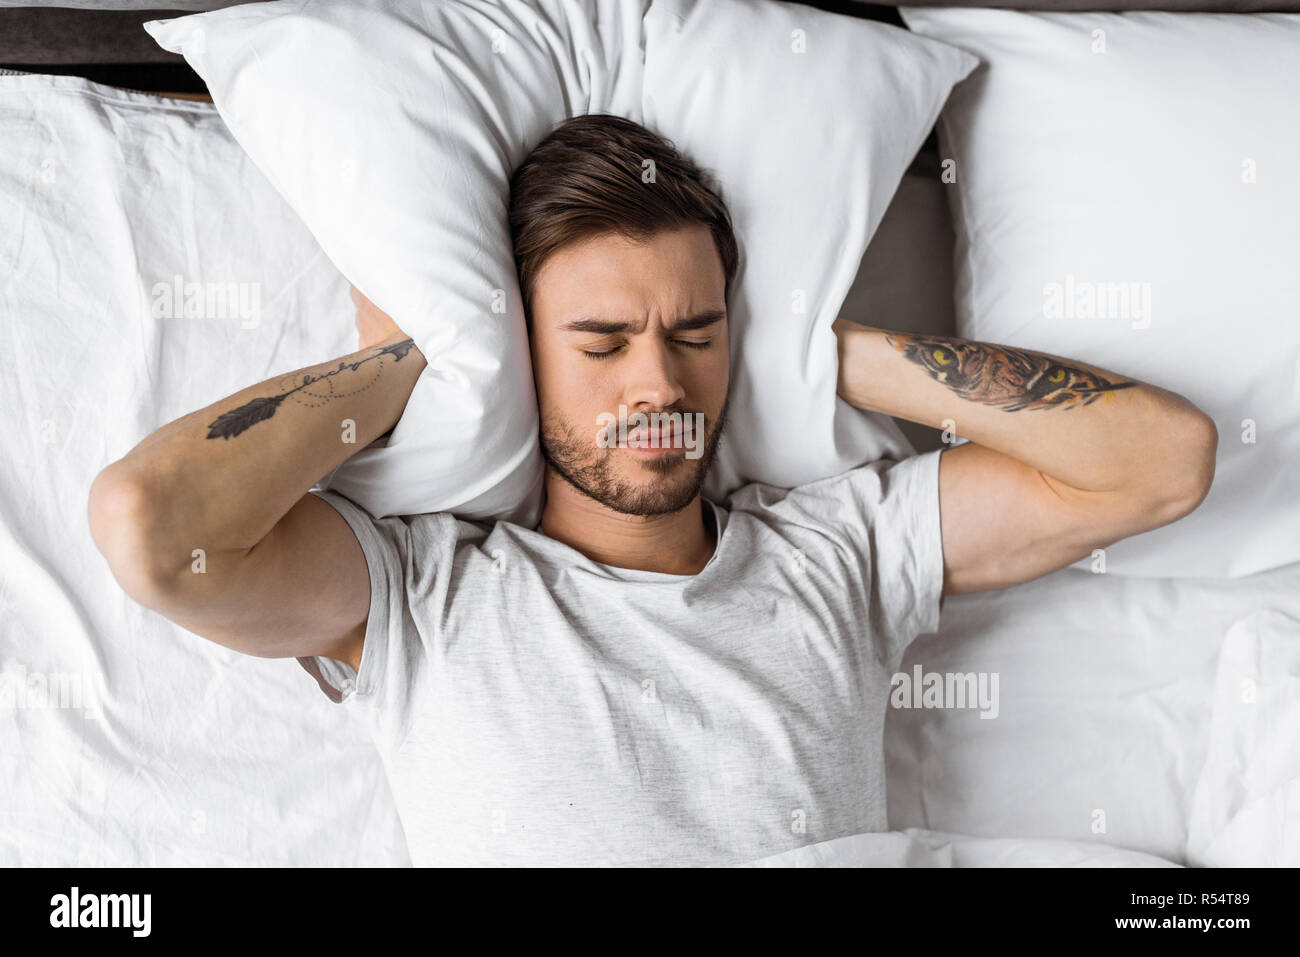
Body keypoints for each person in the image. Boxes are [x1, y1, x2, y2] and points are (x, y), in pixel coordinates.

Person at [87, 114, 1217, 866]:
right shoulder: (422, 592)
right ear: (528, 353)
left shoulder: (842, 549)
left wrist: (824, 358)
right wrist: (431, 359)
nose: (658, 381)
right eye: (600, 340)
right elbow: (152, 526)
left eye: (695, 332)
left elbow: (1163, 460)